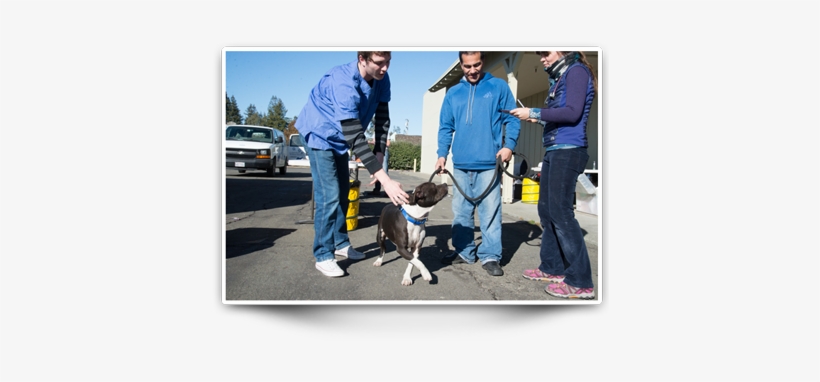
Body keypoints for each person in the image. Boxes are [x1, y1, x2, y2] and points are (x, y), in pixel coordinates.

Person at [295, 51, 409, 278]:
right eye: (379, 63)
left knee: (344, 191)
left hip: (339, 138)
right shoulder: (342, 81)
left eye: (388, 62)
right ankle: (323, 254)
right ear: (362, 59)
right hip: (320, 134)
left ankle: (340, 242)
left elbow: (383, 115)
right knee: (329, 195)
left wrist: (379, 151)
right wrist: (384, 179)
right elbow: (355, 135)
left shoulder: (381, 78)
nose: (385, 68)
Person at [510, 51, 597, 299]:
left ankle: (581, 282)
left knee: (561, 213)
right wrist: (535, 118)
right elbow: (560, 116)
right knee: (547, 212)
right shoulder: (561, 77)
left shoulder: (577, 71)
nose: (542, 59)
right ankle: (552, 267)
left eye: (545, 53)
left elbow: (572, 113)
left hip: (569, 151)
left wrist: (535, 113)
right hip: (554, 150)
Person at [436, 51, 521, 276]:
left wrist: (508, 146)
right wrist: (442, 154)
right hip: (461, 165)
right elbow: (445, 126)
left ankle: (491, 255)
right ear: (461, 65)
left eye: (476, 64)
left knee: (490, 212)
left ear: (482, 62)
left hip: (489, 164)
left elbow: (512, 118)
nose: (472, 70)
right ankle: (464, 251)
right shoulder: (453, 93)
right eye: (467, 66)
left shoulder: (498, 87)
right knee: (461, 213)